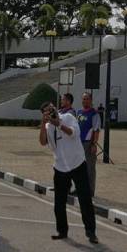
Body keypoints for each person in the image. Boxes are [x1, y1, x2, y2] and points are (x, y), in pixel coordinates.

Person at [38, 101, 98, 243]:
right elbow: (42, 142)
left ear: (55, 108)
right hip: (60, 166)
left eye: (51, 109)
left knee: (85, 200)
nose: (50, 112)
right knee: (59, 202)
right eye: (47, 111)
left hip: (77, 164)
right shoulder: (47, 126)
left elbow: (73, 133)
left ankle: (91, 232)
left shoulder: (68, 117)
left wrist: (58, 123)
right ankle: (62, 231)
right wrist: (43, 124)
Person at [76, 92, 100, 196]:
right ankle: (79, 188)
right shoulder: (79, 112)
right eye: (83, 99)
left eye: (87, 99)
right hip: (78, 143)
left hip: (88, 143)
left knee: (89, 168)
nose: (85, 101)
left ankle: (90, 190)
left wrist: (94, 144)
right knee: (78, 167)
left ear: (91, 100)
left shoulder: (94, 114)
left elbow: (96, 130)